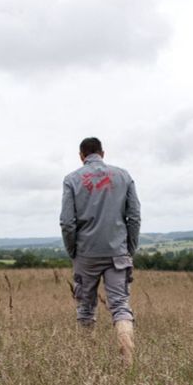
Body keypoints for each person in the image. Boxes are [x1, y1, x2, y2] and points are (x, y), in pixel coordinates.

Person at [60, 137, 141, 365]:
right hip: (118, 251)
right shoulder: (123, 176)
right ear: (103, 153)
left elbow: (67, 222)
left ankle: (87, 361)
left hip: (86, 252)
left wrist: (73, 250)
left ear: (81, 155)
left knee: (86, 308)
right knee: (120, 305)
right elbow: (134, 216)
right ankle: (127, 358)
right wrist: (129, 248)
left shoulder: (71, 180)